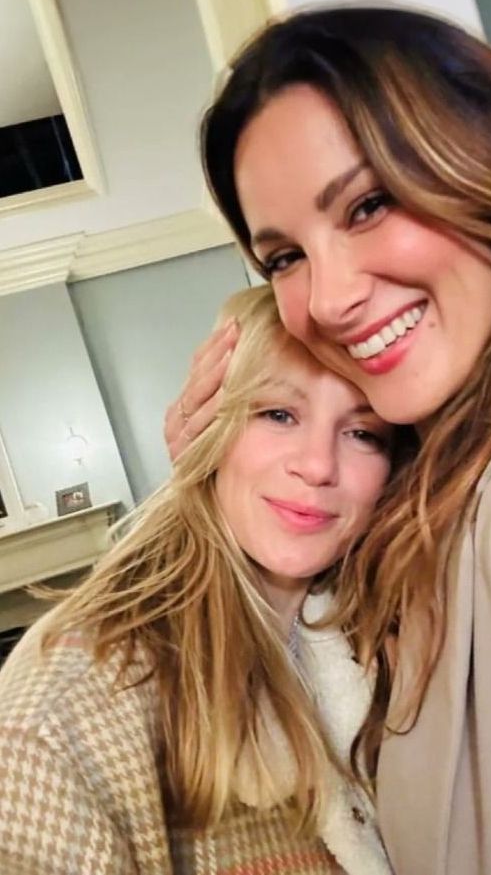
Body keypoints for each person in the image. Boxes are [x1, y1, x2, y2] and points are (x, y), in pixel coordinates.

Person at [165, 4, 491, 875]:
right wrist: (212, 493)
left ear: (489, 167)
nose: (327, 299)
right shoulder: (437, 490)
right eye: (284, 257)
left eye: (367, 204)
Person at [0, 285, 396, 875]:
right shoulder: (63, 715)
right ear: (211, 421)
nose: (318, 465)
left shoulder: (396, 627)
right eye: (277, 414)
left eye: (363, 433)